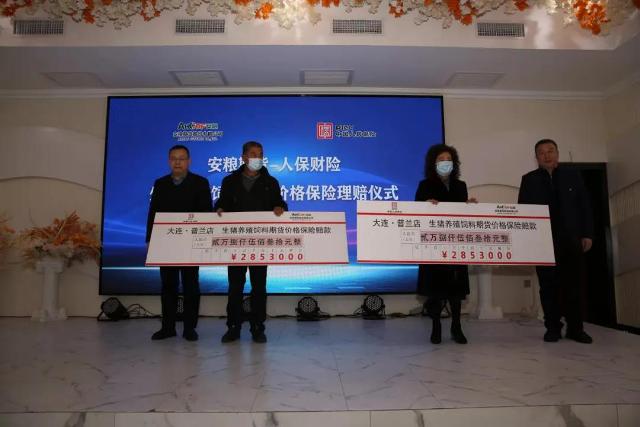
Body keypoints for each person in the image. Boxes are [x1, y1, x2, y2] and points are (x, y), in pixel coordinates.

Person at [518, 139, 594, 344]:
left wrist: (587, 234)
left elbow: (584, 206)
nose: (547, 155)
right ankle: (552, 328)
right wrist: (527, 242)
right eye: (542, 153)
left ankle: (576, 328)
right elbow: (523, 212)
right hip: (542, 243)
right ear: (536, 158)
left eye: (550, 151)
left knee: (574, 286)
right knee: (548, 287)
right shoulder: (529, 180)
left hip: (571, 240)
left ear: (557, 153)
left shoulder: (572, 175)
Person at [214, 141, 287, 344]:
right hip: (235, 242)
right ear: (244, 157)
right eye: (253, 154)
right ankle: (233, 327)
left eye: (260, 154)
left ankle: (257, 327)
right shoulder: (230, 181)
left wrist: (280, 208)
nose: (258, 158)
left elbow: (279, 203)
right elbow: (222, 202)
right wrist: (219, 209)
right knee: (235, 286)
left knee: (259, 287)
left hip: (260, 242)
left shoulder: (270, 182)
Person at [146, 144, 213, 342]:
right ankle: (168, 327)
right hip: (166, 243)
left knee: (191, 285)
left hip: (191, 243)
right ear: (169, 161)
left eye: (181, 158)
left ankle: (190, 328)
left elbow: (206, 213)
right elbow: (153, 212)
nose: (177, 162)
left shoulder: (200, 183)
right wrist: (150, 239)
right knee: (168, 285)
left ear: (189, 161)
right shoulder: (160, 184)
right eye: (174, 158)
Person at [415, 144, 476, 344]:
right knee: (435, 291)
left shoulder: (460, 186)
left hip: (456, 245)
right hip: (433, 246)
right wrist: (425, 207)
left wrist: (471, 207)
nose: (445, 163)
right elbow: (414, 214)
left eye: (448, 159)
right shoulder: (425, 185)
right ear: (433, 163)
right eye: (441, 159)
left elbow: (463, 215)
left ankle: (457, 327)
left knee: (456, 292)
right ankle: (436, 326)